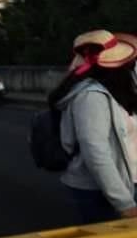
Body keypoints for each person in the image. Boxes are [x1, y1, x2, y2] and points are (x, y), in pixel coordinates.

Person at [48, 30, 137, 224]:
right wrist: (124, 203)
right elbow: (95, 151)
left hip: (126, 181)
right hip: (103, 191)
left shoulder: (115, 92)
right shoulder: (91, 97)